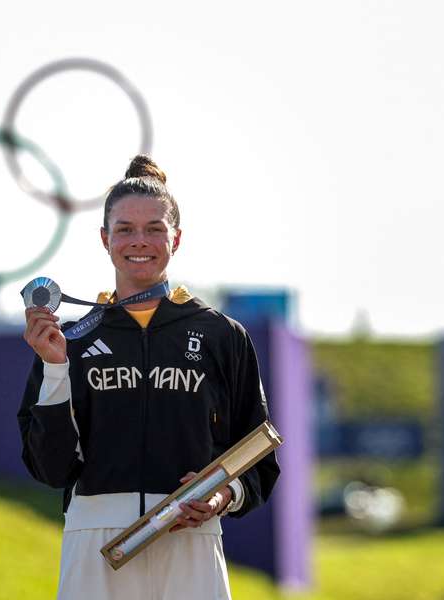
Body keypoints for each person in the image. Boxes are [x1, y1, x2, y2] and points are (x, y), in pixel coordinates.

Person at [18, 155, 280, 599]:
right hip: (96, 542)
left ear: (176, 238)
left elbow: (258, 453)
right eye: (125, 229)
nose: (140, 241)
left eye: (154, 228)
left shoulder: (221, 335)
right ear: (105, 239)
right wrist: (55, 367)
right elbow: (50, 466)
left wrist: (223, 496)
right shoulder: (72, 341)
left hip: (191, 539)